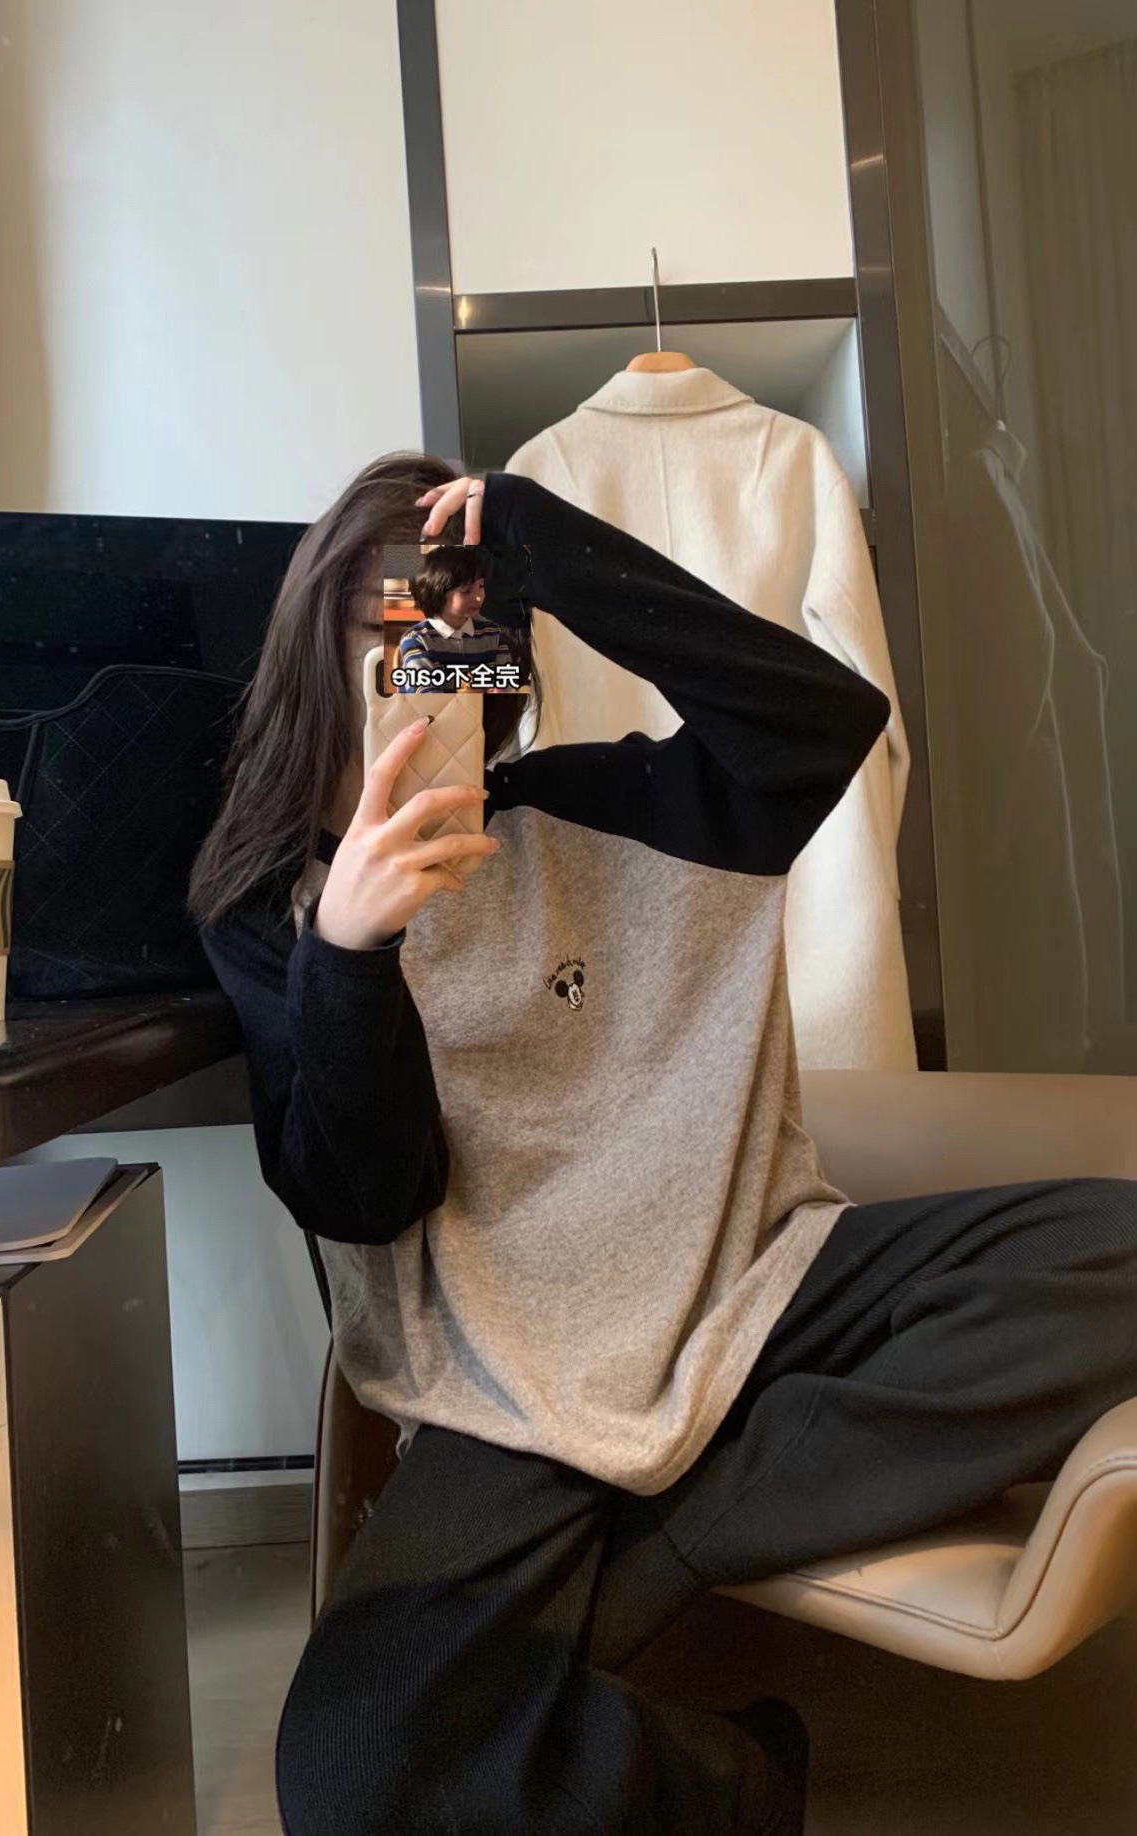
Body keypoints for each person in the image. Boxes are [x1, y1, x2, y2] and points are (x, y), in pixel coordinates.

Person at [190, 454, 1137, 1836]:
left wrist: (547, 546)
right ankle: (739, 1776)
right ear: (317, 648)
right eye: (400, 637)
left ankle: (679, 1527)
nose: (438, 674)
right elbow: (366, 1196)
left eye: (473, 640)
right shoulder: (267, 910)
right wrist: (352, 954)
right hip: (509, 1382)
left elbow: (825, 718)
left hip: (754, 1288)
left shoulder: (606, 810)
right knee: (352, 1771)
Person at [394, 542, 523, 692]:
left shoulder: (493, 633)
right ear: (438, 594)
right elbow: (424, 696)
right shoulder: (417, 640)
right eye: (466, 591)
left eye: (481, 586)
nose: (478, 597)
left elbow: (506, 684)